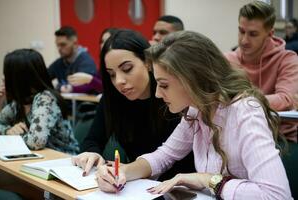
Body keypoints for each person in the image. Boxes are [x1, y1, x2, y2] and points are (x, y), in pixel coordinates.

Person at [96, 31, 292, 199]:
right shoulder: (197, 109)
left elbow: (276, 195)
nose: (157, 93)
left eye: (164, 85)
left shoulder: (245, 112)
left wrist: (208, 180)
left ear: (193, 79)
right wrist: (123, 171)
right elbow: (164, 155)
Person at [72, 30, 195, 180]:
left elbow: (171, 157)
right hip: (140, 183)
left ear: (148, 63)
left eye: (127, 69)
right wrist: (93, 154)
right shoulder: (113, 98)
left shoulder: (174, 98)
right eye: (111, 74)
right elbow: (92, 140)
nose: (119, 81)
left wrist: (129, 172)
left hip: (180, 185)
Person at [225, 1, 298, 142]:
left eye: (253, 34)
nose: (244, 40)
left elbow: (285, 100)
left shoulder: (287, 59)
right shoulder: (229, 59)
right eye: (241, 31)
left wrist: (238, 100)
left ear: (270, 34)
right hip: (238, 137)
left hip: (280, 138)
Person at [0, 49, 79, 154]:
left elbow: (36, 142)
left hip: (64, 159)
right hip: (39, 159)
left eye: (7, 73)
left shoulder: (45, 99)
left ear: (20, 78)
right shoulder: (19, 102)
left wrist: (13, 136)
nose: (3, 78)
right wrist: (7, 131)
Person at [48, 26, 99, 94]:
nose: (59, 49)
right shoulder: (60, 62)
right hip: (66, 102)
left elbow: (84, 87)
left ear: (75, 44)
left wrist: (58, 86)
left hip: (83, 103)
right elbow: (44, 76)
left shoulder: (86, 62)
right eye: (57, 45)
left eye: (63, 45)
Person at [66, 28, 119, 93]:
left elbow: (110, 88)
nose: (103, 44)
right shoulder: (104, 62)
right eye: (102, 41)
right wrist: (71, 88)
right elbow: (91, 86)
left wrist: (90, 79)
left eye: (107, 41)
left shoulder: (118, 61)